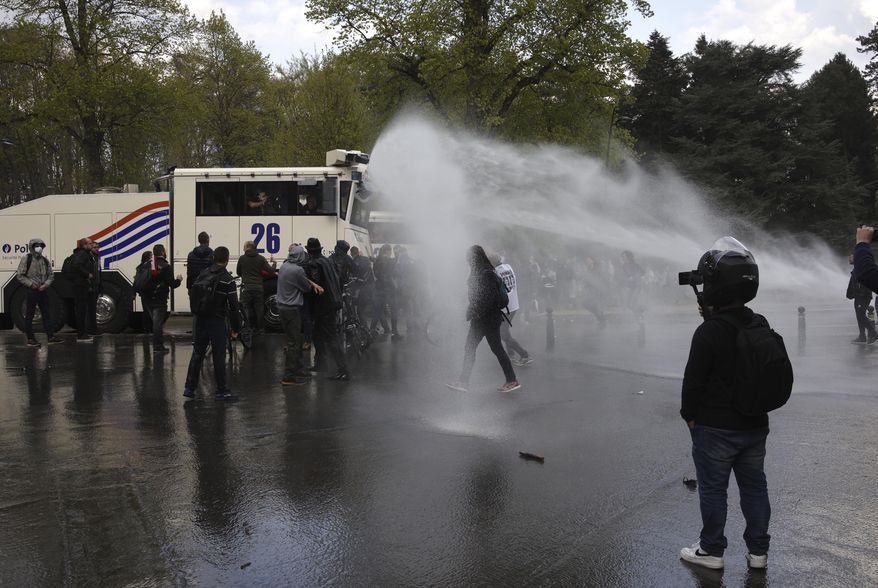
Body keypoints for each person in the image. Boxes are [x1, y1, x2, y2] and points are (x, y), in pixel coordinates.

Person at [679, 238, 772, 571]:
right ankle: (759, 553)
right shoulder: (759, 323)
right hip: (755, 425)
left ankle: (712, 551)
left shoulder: (709, 332)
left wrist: (690, 418)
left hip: (715, 429)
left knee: (714, 491)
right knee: (755, 488)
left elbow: (692, 386)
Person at [446, 245, 521, 393]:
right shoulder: (485, 271)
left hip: (485, 319)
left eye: (469, 258)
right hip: (486, 318)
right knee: (488, 349)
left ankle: (464, 382)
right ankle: (510, 380)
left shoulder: (485, 274)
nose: (467, 261)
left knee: (476, 348)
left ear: (475, 258)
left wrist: (474, 311)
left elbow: (487, 298)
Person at [183, 246, 243, 401]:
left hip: (201, 318)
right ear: (227, 259)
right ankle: (222, 390)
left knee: (198, 353)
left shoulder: (204, 273)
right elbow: (234, 307)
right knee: (218, 355)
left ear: (213, 257)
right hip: (216, 321)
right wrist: (236, 328)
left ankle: (189, 388)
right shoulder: (227, 279)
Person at [277, 245, 324, 385]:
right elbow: (305, 287)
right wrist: (315, 285)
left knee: (294, 339)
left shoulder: (285, 266)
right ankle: (288, 376)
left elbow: (301, 279)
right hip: (292, 309)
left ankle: (298, 369)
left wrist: (312, 283)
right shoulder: (298, 270)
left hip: (282, 307)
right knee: (294, 343)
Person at [305, 237, 349, 380]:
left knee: (331, 337)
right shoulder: (328, 261)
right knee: (317, 334)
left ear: (308, 251)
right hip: (333, 301)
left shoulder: (314, 264)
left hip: (323, 304)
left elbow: (315, 284)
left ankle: (343, 370)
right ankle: (320, 363)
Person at [16, 237, 62, 347]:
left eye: (41, 246)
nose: (39, 248)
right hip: (31, 291)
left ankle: (50, 336)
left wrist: (45, 285)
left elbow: (51, 275)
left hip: (43, 290)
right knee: (30, 315)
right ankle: (30, 339)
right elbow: (20, 276)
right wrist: (31, 284)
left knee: (46, 314)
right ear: (31, 247)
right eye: (36, 246)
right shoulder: (26, 259)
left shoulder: (45, 260)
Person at [489, 253, 532, 366]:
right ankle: (511, 354)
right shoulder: (508, 267)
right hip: (513, 305)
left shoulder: (494, 273)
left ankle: (524, 355)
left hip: (505, 307)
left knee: (503, 334)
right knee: (505, 331)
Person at [142, 244, 182, 353]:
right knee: (157, 323)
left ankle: (156, 345)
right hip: (160, 298)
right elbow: (172, 284)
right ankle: (158, 346)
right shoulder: (166, 266)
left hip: (147, 298)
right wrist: (179, 280)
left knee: (154, 322)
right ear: (163, 252)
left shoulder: (148, 264)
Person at [236, 241, 276, 334]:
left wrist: (245, 275)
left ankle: (248, 328)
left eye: (244, 246)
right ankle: (261, 329)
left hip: (246, 287)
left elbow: (238, 272)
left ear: (248, 247)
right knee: (259, 309)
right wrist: (274, 263)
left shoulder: (242, 258)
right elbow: (271, 271)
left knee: (246, 309)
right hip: (258, 287)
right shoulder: (261, 258)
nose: (243, 248)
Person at [69, 238, 96, 342]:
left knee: (82, 310)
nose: (91, 245)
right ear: (84, 245)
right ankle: (81, 335)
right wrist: (87, 274)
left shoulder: (85, 254)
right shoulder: (82, 254)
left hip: (81, 285)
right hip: (80, 285)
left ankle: (83, 333)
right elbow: (76, 265)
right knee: (81, 310)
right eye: (90, 243)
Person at [847, 254, 877, 343]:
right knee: (859, 316)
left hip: (863, 295)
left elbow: (864, 282)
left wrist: (861, 293)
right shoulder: (856, 268)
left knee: (861, 315)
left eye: (851, 256)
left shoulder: (861, 268)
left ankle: (873, 334)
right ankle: (862, 336)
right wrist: (851, 294)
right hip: (859, 295)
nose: (849, 258)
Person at [371, 244, 399, 338]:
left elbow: (377, 274)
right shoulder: (389, 261)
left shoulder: (377, 260)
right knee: (394, 310)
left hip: (379, 288)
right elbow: (394, 272)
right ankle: (394, 332)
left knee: (377, 311)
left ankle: (370, 332)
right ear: (387, 251)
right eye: (390, 251)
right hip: (389, 289)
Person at [87, 241, 102, 336]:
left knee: (93, 309)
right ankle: (89, 329)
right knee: (89, 309)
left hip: (96, 286)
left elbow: (99, 272)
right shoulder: (88, 259)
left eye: (98, 247)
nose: (97, 249)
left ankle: (94, 328)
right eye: (95, 247)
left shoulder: (96, 258)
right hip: (90, 287)